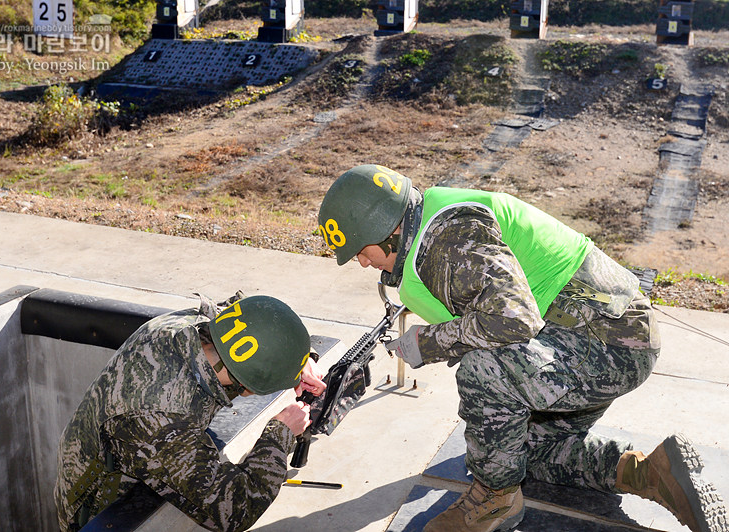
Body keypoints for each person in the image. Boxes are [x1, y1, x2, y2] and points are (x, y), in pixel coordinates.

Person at [318, 164, 727, 532]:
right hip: (590, 337)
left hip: (606, 342)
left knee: (482, 371)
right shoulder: (434, 227)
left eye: (361, 251)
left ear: (387, 231)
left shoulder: (447, 239)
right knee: (521, 453)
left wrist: (429, 342)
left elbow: (512, 321)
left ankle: (495, 501)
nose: (364, 264)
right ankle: (650, 473)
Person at [54, 293, 327, 532]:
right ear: (249, 381)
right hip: (105, 510)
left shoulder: (196, 327)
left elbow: (252, 323)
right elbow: (234, 510)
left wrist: (297, 361)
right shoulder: (161, 418)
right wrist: (279, 434)